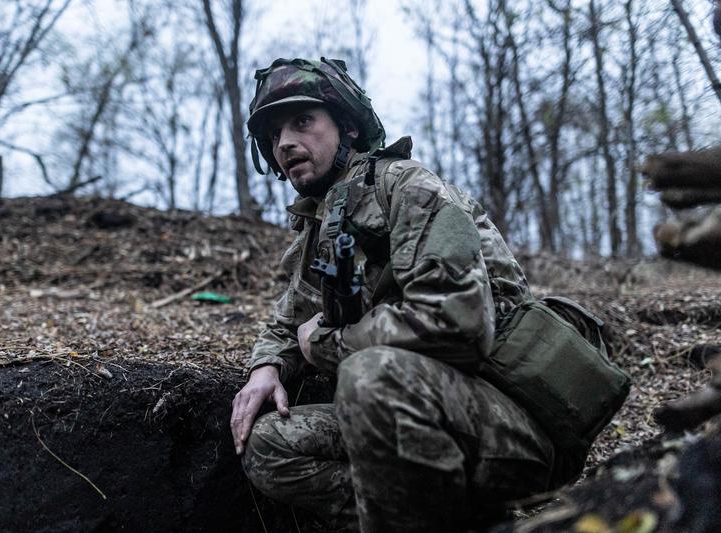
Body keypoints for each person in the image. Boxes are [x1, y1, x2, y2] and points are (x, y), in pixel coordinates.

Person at [230, 57, 581, 532]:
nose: (285, 142)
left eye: (302, 121)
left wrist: (331, 344)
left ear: (349, 128)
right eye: (273, 135)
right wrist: (266, 366)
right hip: (404, 410)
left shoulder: (409, 189)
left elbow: (462, 325)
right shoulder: (324, 220)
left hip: (508, 425)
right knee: (268, 443)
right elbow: (291, 318)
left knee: (367, 373)